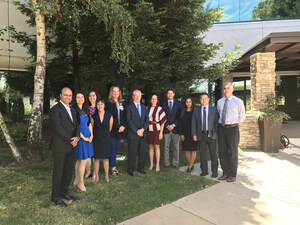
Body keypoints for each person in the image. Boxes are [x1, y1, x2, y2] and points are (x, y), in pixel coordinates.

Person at [49, 87, 79, 207]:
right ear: (60, 95)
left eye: (70, 95)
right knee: (58, 172)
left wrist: (77, 138)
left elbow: (76, 125)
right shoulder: (55, 110)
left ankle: (64, 192)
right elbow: (57, 128)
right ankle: (55, 196)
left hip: (72, 146)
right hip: (60, 146)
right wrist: (71, 140)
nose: (68, 97)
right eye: (65, 95)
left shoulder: (72, 109)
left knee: (68, 171)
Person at [217, 82, 246, 182]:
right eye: (224, 88)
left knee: (233, 152)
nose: (226, 90)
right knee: (222, 152)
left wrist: (234, 125)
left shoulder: (238, 101)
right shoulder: (220, 102)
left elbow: (242, 117)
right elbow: (219, 114)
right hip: (222, 129)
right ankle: (225, 173)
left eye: (228, 88)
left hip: (233, 129)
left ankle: (232, 174)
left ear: (232, 89)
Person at [191, 93, 219, 177]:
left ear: (208, 99)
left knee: (213, 154)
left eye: (205, 98)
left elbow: (217, 123)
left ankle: (215, 172)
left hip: (211, 135)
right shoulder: (196, 110)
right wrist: (194, 134)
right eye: (202, 99)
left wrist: (215, 134)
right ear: (200, 100)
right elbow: (193, 123)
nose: (204, 100)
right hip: (201, 135)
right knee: (202, 154)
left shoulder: (214, 109)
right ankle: (204, 171)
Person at [72, 91, 94, 191]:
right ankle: (81, 183)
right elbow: (75, 127)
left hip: (88, 138)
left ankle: (76, 180)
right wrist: (83, 137)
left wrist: (91, 134)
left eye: (82, 97)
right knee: (82, 161)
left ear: (84, 99)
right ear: (75, 99)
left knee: (80, 160)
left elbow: (89, 124)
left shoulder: (86, 110)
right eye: (78, 97)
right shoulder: (74, 111)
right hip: (80, 138)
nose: (80, 99)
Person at [125, 90, 149, 176]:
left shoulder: (144, 107)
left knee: (142, 152)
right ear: (133, 96)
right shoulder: (128, 107)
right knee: (132, 152)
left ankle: (141, 168)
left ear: (141, 97)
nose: (137, 97)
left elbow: (147, 120)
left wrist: (143, 129)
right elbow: (129, 120)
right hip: (133, 134)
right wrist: (136, 131)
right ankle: (130, 169)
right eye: (135, 95)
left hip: (142, 133)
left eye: (139, 95)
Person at [91, 99, 113, 183]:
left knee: (105, 158)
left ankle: (107, 176)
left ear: (104, 105)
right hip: (96, 139)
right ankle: (97, 176)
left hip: (106, 139)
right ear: (96, 106)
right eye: (98, 104)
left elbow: (110, 128)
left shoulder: (109, 115)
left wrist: (105, 134)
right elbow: (92, 128)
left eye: (101, 104)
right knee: (96, 158)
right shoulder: (93, 116)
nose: (100, 106)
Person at [106, 86, 126, 176]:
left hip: (119, 130)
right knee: (112, 148)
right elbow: (111, 118)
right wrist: (118, 126)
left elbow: (124, 116)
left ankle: (112, 166)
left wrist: (123, 126)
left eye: (117, 91)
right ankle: (112, 168)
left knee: (115, 148)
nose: (116, 93)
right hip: (112, 129)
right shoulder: (109, 104)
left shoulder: (121, 103)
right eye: (114, 91)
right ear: (111, 93)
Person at [161, 89, 182, 169]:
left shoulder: (178, 105)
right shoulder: (163, 104)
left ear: (174, 94)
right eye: (168, 93)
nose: (170, 95)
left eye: (171, 93)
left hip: (175, 129)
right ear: (167, 94)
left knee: (176, 147)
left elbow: (179, 117)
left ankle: (175, 163)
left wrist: (173, 125)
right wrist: (167, 125)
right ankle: (166, 162)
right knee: (166, 147)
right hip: (166, 129)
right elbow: (162, 117)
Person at [147, 94, 167, 172]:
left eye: (155, 99)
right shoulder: (147, 109)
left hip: (157, 130)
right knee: (150, 147)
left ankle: (157, 164)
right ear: (150, 100)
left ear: (157, 100)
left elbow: (163, 122)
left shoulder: (160, 109)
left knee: (157, 147)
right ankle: (151, 164)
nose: (154, 100)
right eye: (152, 99)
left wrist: (161, 132)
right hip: (149, 130)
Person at [179, 97, 197, 173]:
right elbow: (180, 124)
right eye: (187, 102)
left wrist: (195, 134)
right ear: (185, 103)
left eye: (190, 102)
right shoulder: (183, 112)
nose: (188, 103)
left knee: (193, 150)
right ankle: (191, 164)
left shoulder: (195, 111)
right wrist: (181, 134)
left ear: (192, 103)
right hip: (185, 133)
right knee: (186, 149)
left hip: (193, 133)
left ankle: (189, 167)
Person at [84, 90, 99, 178]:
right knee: (87, 153)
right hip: (88, 133)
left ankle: (95, 172)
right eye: (90, 96)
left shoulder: (100, 107)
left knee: (95, 153)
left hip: (97, 133)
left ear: (96, 96)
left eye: (94, 95)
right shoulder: (86, 108)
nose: (92, 97)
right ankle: (88, 170)